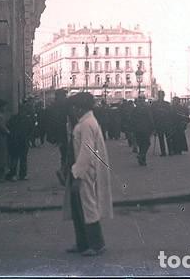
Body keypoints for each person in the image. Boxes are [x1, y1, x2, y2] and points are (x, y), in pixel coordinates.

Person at [62, 92, 112, 257]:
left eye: (74, 107)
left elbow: (86, 151)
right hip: (81, 169)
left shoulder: (86, 124)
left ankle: (96, 244)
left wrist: (77, 173)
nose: (72, 111)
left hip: (84, 171)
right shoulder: (86, 122)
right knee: (79, 208)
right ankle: (82, 243)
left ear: (79, 108)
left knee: (87, 206)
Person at [44, 89, 71, 184]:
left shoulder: (52, 106)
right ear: (60, 96)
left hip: (58, 135)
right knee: (68, 154)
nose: (65, 97)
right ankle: (63, 172)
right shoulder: (63, 106)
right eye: (64, 96)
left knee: (64, 154)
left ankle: (65, 173)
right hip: (64, 134)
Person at [6, 100, 34, 181]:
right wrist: (29, 138)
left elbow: (8, 127)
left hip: (16, 141)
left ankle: (14, 174)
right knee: (22, 158)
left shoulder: (13, 118)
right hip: (22, 141)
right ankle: (22, 175)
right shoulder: (27, 119)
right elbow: (31, 130)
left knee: (16, 158)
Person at [130, 96, 154, 166]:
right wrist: (153, 127)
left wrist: (132, 128)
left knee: (141, 144)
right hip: (145, 129)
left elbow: (131, 119)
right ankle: (142, 155)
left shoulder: (135, 109)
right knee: (146, 143)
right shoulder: (147, 109)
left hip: (137, 130)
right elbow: (150, 118)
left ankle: (142, 160)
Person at [151, 91, 171, 157]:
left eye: (162, 95)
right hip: (158, 123)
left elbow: (170, 113)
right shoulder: (154, 104)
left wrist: (164, 112)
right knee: (161, 138)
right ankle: (163, 152)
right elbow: (152, 114)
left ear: (164, 96)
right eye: (160, 95)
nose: (161, 96)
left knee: (168, 137)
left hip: (166, 123)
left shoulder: (167, 104)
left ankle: (170, 151)